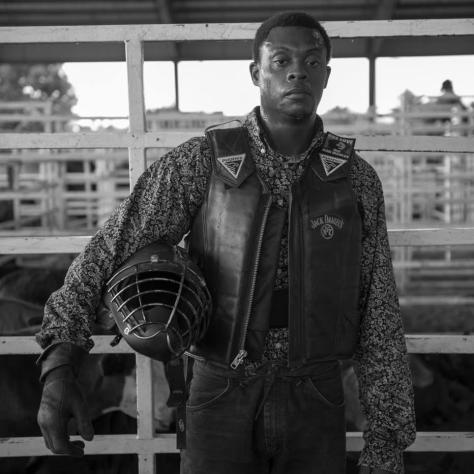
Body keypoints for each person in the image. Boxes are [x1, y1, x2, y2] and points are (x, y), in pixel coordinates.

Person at [36, 11, 416, 474]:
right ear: (257, 73)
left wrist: (387, 437)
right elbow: (109, 249)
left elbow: (378, 306)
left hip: (316, 388)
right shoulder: (202, 163)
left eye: (312, 61)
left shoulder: (355, 179)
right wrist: (60, 362)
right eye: (281, 61)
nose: (297, 71)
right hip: (219, 386)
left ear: (326, 76)